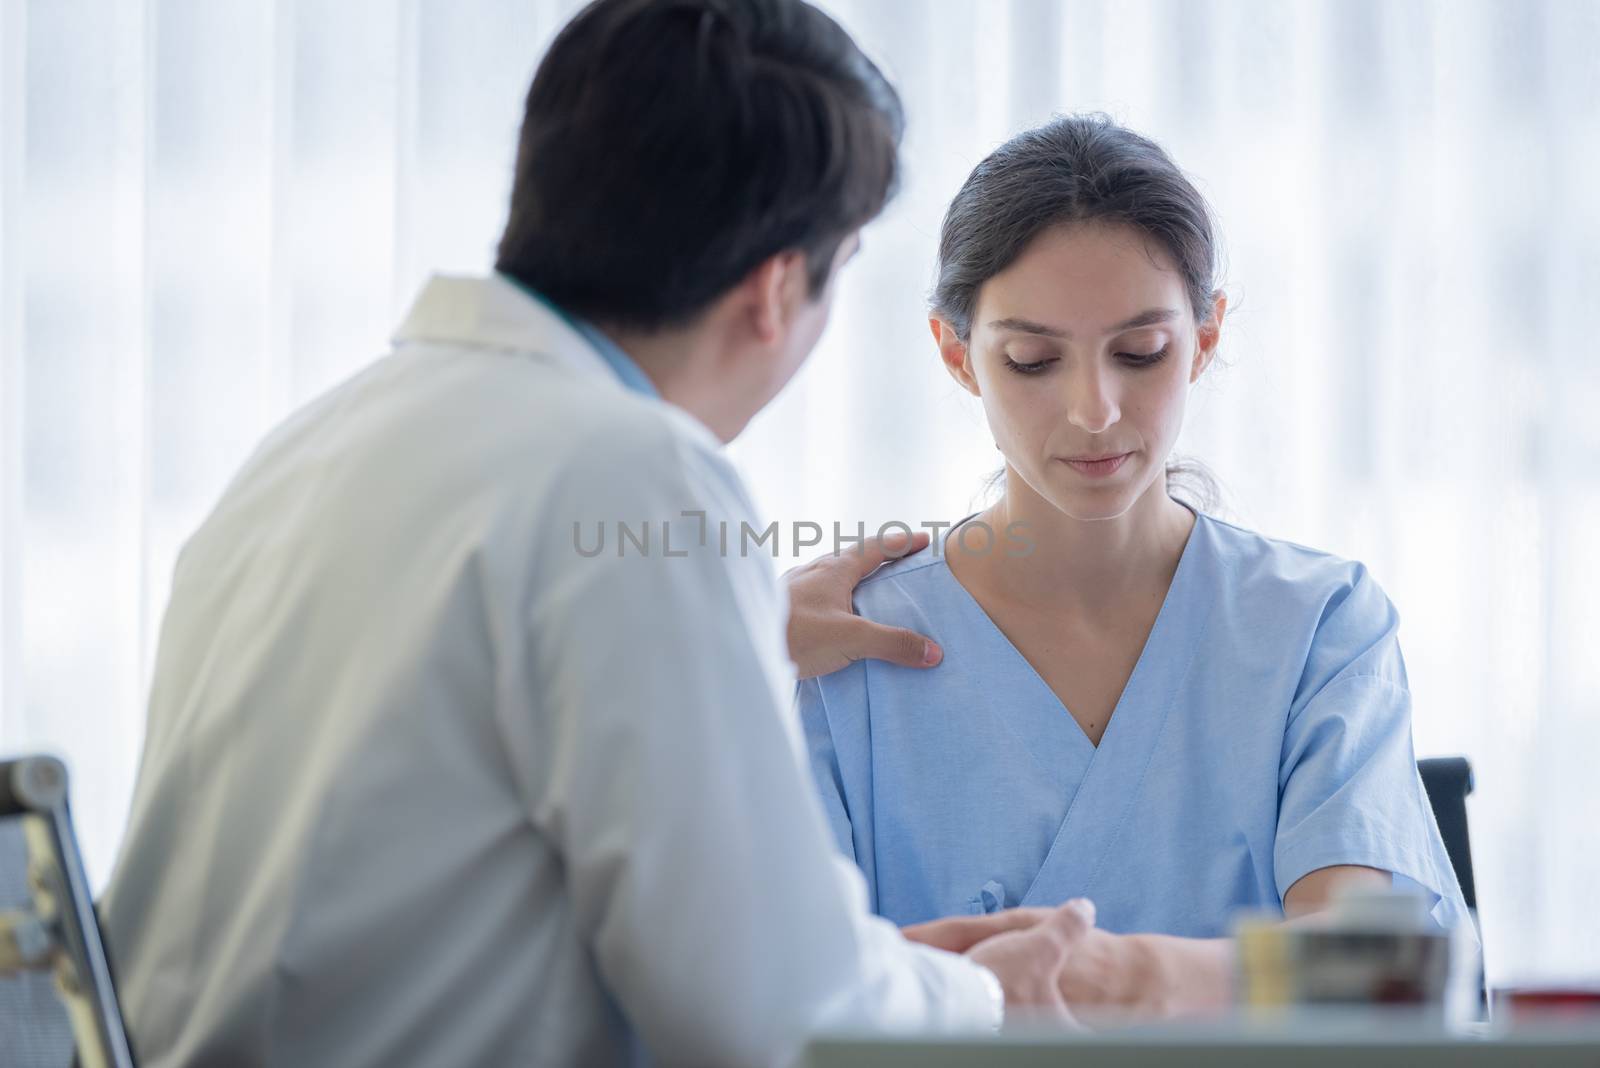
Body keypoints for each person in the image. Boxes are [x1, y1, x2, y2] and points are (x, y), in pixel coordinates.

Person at [98, 4, 1099, 1065]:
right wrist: (978, 1000)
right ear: (773, 290)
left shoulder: (316, 442)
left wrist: (741, 639)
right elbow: (768, 1013)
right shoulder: (636, 475)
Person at [790, 114, 1474, 1020]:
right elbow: (783, 996)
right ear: (957, 355)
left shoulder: (1315, 625)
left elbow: (1383, 978)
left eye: (1140, 353)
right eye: (1032, 360)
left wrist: (1122, 980)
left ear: (1207, 333)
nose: (1096, 411)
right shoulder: (841, 652)